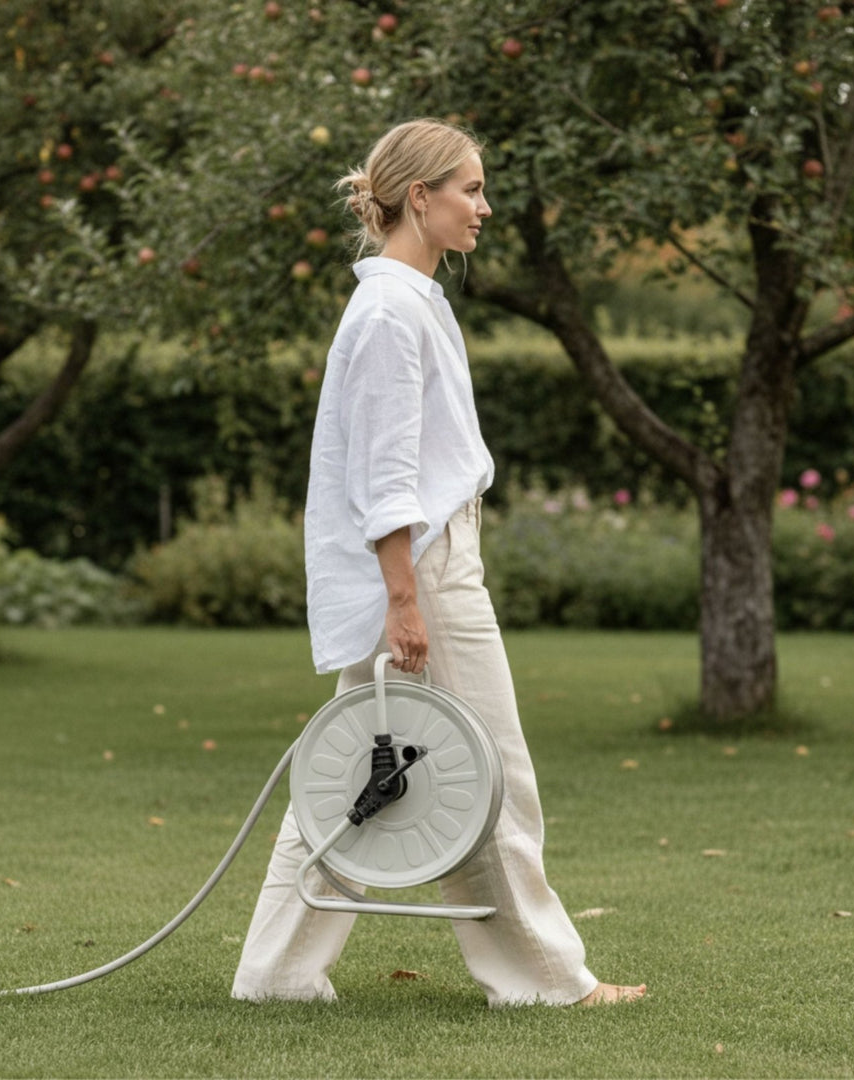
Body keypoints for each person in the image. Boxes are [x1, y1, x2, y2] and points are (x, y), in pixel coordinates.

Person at [231, 118, 645, 1008]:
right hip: (425, 567)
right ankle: (544, 982)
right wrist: (405, 599)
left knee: (353, 777)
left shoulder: (408, 300)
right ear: (419, 197)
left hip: (430, 563)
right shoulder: (387, 310)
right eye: (470, 188)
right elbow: (385, 475)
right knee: (489, 771)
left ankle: (274, 977)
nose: (484, 207)